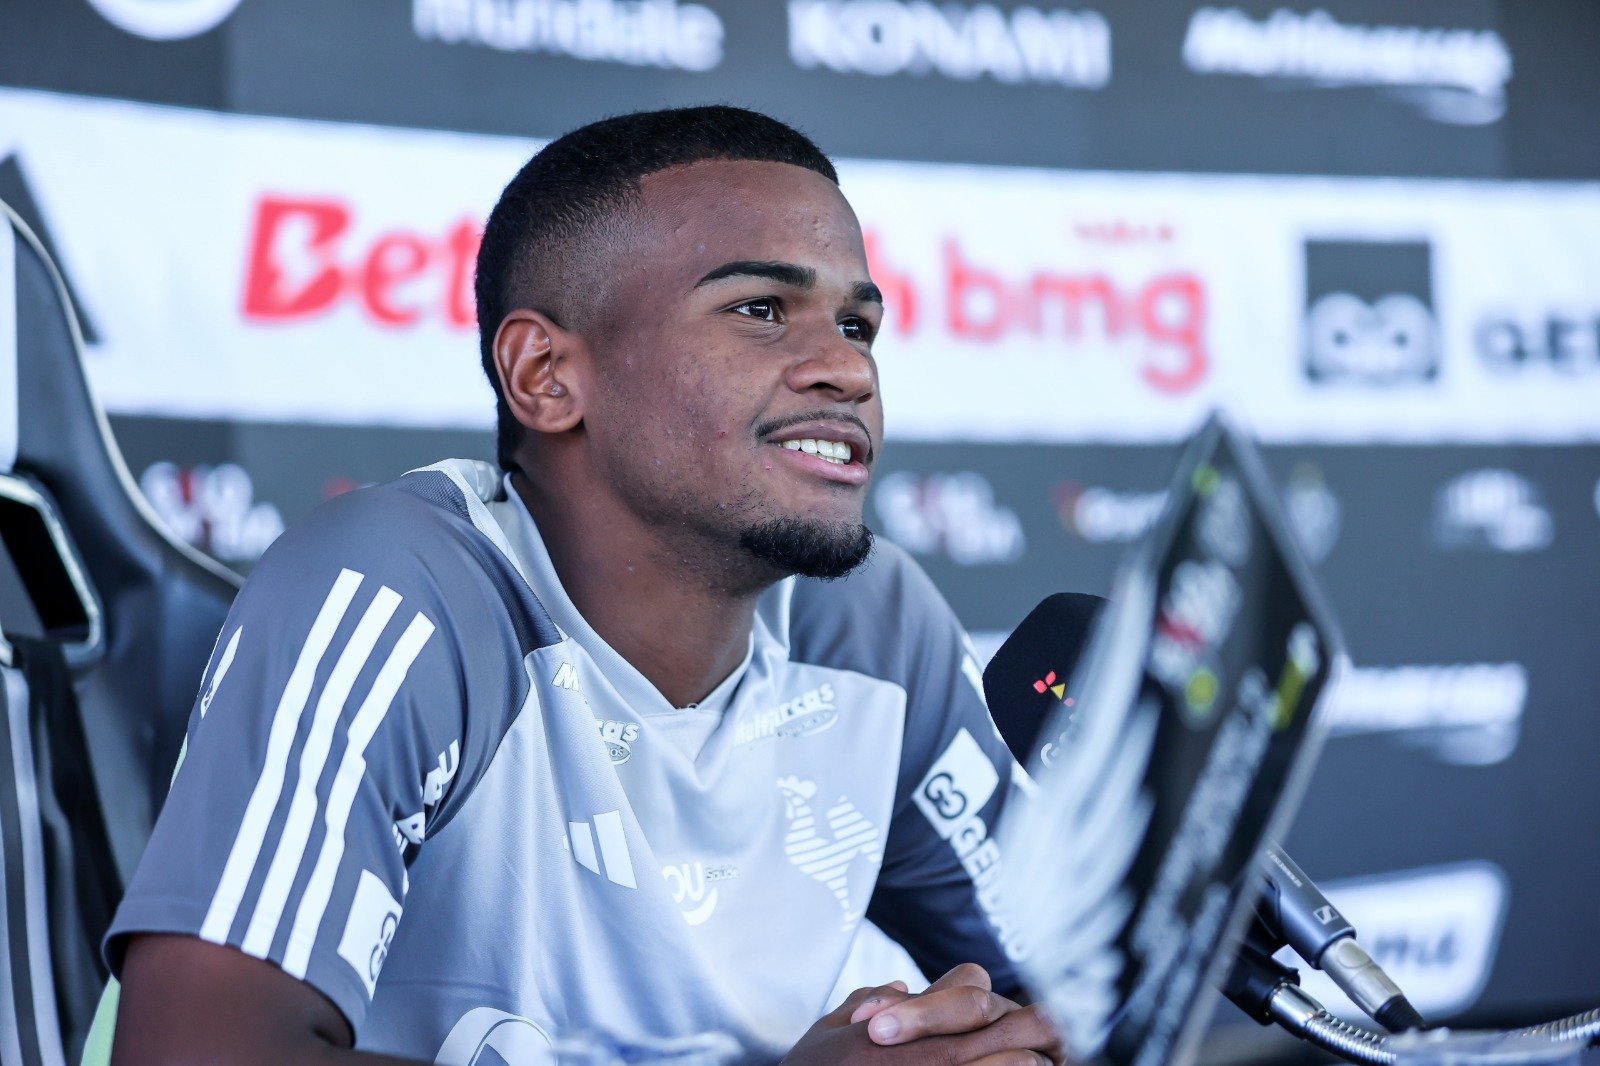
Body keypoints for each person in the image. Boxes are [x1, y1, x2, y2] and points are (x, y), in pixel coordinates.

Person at [103, 106, 1065, 1065]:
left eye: (857, 325)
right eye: (760, 310)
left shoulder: (868, 627)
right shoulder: (401, 590)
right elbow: (194, 1053)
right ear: (546, 374)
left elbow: (1085, 992)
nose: (847, 369)